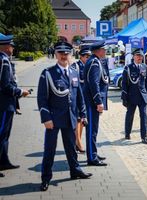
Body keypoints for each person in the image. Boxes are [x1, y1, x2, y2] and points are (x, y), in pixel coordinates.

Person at [37, 42, 92, 191]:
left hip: (70, 118)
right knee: (50, 150)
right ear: (55, 54)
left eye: (66, 53)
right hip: (53, 119)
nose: (63, 55)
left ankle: (75, 170)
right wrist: (46, 118)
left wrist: (83, 114)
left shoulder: (74, 72)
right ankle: (45, 177)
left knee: (71, 148)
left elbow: (79, 96)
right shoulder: (47, 73)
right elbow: (42, 98)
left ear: (70, 54)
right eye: (60, 52)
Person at [0, 35, 30, 178]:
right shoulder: (3, 61)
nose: (13, 48)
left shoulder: (5, 60)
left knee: (5, 135)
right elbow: (5, 86)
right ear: (5, 47)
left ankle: (4, 161)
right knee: (1, 134)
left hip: (7, 104)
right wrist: (20, 92)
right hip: (4, 104)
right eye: (11, 45)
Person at [83, 40, 108, 166]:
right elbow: (94, 83)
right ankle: (92, 158)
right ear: (98, 50)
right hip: (91, 102)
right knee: (92, 130)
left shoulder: (94, 61)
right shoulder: (94, 62)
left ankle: (93, 152)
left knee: (94, 130)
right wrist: (98, 101)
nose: (105, 51)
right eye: (104, 49)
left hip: (91, 101)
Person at [121, 49, 147, 144]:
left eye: (141, 56)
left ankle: (144, 136)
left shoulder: (144, 67)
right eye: (137, 56)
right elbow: (124, 84)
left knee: (144, 116)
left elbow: (146, 83)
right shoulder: (128, 68)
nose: (139, 58)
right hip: (131, 96)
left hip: (142, 96)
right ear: (133, 56)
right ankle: (127, 132)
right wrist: (124, 98)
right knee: (130, 115)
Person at [70, 47, 91, 153]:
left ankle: (77, 142)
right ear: (81, 56)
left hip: (86, 98)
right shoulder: (76, 66)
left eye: (89, 57)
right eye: (86, 57)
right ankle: (78, 142)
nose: (88, 58)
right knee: (78, 120)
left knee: (83, 120)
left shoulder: (89, 66)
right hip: (78, 97)